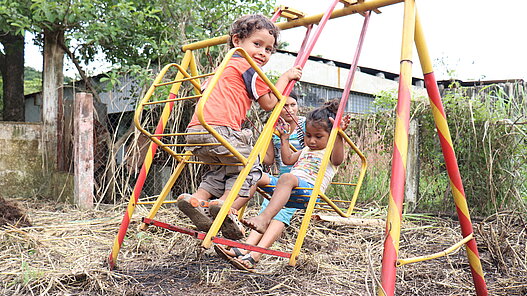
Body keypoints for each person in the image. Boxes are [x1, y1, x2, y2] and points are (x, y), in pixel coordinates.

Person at [177, 14, 302, 240]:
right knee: (251, 167)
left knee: (223, 168)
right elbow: (269, 104)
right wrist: (285, 77)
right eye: (257, 44)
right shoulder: (248, 66)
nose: (263, 53)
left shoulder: (222, 68)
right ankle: (225, 207)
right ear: (237, 41)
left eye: (269, 49)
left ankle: (196, 198)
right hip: (219, 130)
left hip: (195, 132)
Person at [214, 91, 306, 271]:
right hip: (281, 178)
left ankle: (255, 255)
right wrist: (267, 136)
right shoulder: (275, 127)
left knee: (281, 212)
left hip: (298, 179)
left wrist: (285, 139)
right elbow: (269, 160)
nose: (289, 110)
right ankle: (242, 243)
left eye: (292, 105)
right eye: (284, 106)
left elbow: (311, 153)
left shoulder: (304, 126)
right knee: (259, 185)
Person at [240, 99, 351, 237]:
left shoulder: (330, 151)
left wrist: (339, 135)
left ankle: (264, 218)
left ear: (330, 136)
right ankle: (231, 210)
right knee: (257, 175)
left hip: (310, 191)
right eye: (308, 135)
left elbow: (338, 160)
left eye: (318, 137)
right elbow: (287, 160)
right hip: (290, 185)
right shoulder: (306, 149)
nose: (311, 141)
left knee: (287, 178)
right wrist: (284, 138)